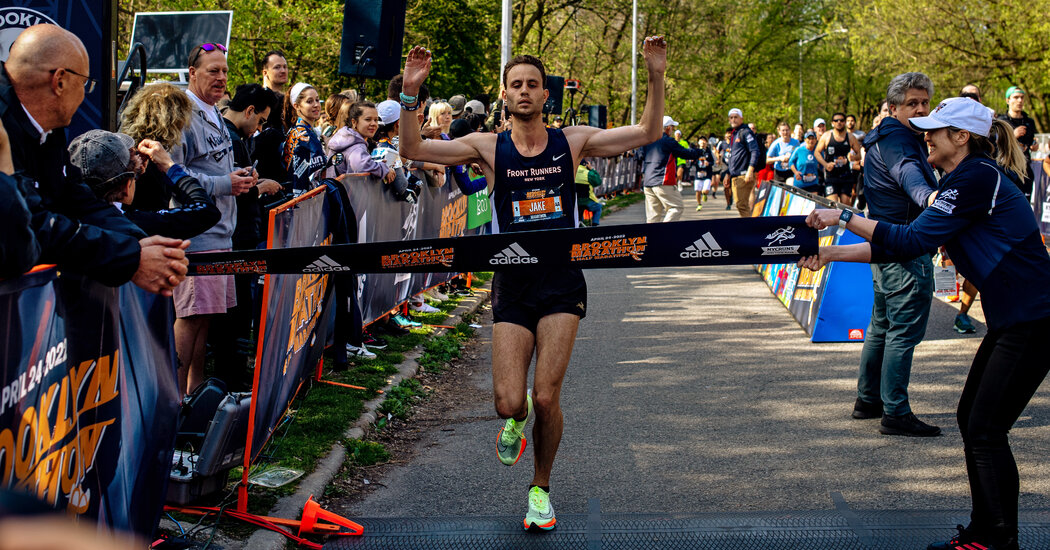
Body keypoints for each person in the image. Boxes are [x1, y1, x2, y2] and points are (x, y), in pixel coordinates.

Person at [397, 36, 669, 530]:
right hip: (513, 282)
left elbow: (648, 132)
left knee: (546, 396)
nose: (524, 91)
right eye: (516, 85)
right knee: (510, 401)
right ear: (505, 95)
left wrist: (654, 74)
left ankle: (540, 489)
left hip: (562, 281)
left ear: (547, 95)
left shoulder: (573, 140)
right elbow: (412, 147)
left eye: (533, 85)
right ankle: (515, 421)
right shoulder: (487, 146)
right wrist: (411, 94)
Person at [799, 97, 1047, 550]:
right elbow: (903, 246)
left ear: (961, 137)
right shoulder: (964, 177)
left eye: (934, 128)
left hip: (1033, 319)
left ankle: (995, 539)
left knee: (984, 428)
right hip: (1019, 319)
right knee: (975, 420)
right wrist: (829, 252)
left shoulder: (975, 178)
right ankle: (989, 532)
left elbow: (908, 238)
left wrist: (844, 217)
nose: (925, 135)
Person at [1, 24, 187, 294]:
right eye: (85, 82)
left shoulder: (49, 129)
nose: (85, 93)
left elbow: (74, 196)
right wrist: (129, 257)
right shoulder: (3, 123)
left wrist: (138, 243)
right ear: (60, 80)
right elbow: (30, 224)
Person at [853, 72, 940, 436]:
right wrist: (931, 198)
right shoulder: (900, 142)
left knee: (882, 326)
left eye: (924, 103)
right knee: (901, 332)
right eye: (912, 104)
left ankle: (869, 400)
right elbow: (909, 176)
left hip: (885, 243)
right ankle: (896, 411)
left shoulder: (884, 138)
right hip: (904, 246)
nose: (920, 110)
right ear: (892, 108)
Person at [172, 41, 258, 396]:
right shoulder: (183, 113)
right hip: (197, 235)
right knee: (189, 319)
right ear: (192, 73)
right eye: (213, 70)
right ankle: (171, 406)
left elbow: (209, 166)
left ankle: (192, 397)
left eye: (224, 71)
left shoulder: (214, 112)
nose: (221, 77)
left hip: (222, 234)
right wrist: (224, 183)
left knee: (204, 320)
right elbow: (173, 172)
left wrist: (239, 175)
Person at [68, 129, 221, 239]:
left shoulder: (61, 222)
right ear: (126, 188)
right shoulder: (134, 225)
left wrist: (134, 174)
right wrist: (169, 166)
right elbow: (206, 212)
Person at [640, 115, 705, 222]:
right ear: (668, 128)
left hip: (648, 182)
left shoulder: (648, 141)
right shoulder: (668, 141)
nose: (673, 130)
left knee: (653, 216)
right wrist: (700, 151)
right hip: (663, 181)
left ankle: (653, 237)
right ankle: (664, 234)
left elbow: (640, 156)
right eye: (672, 127)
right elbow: (686, 153)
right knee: (676, 207)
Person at [996, 86, 1036, 199]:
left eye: (1022, 98)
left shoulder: (1029, 121)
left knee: (1025, 205)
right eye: (1016, 97)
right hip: (1006, 169)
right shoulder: (1001, 121)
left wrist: (1033, 145)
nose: (1019, 101)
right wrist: (1012, 135)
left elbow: (1031, 142)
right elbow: (995, 145)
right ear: (1008, 100)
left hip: (1025, 169)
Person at [815, 112, 862, 204]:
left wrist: (852, 158)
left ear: (844, 122)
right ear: (832, 123)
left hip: (846, 176)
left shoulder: (850, 137)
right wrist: (825, 164)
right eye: (836, 120)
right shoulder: (827, 136)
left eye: (841, 120)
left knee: (845, 204)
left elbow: (859, 155)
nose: (839, 122)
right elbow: (817, 152)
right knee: (833, 204)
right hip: (831, 176)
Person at [727, 108, 761, 217]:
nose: (733, 119)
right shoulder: (734, 133)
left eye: (736, 117)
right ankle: (748, 228)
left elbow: (755, 151)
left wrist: (750, 170)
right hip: (735, 175)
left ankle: (751, 231)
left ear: (741, 118)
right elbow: (732, 156)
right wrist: (728, 173)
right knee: (740, 205)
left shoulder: (745, 132)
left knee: (742, 205)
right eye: (731, 117)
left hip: (744, 175)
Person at [575, 158, 603, 225]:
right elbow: (598, 182)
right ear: (586, 164)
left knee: (578, 211)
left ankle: (579, 224)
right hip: (587, 200)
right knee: (598, 207)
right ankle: (594, 225)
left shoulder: (572, 172)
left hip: (575, 201)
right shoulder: (588, 173)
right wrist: (592, 169)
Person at [693, 136, 715, 209]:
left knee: (705, 190)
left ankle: (704, 194)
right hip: (698, 174)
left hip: (707, 174)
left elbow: (713, 162)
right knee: (697, 191)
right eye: (701, 141)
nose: (702, 142)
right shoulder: (695, 151)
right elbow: (693, 161)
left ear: (706, 142)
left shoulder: (709, 151)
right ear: (698, 143)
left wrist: (709, 163)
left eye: (704, 141)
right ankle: (699, 204)